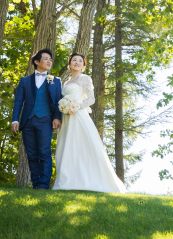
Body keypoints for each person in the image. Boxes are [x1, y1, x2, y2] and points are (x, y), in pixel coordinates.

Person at [52, 52, 126, 193]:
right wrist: (65, 108)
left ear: (83, 65)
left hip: (79, 116)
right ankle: (67, 181)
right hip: (67, 117)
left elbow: (91, 99)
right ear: (70, 64)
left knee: (82, 147)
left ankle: (89, 180)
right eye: (74, 60)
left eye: (80, 61)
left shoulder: (84, 78)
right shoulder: (66, 82)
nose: (77, 62)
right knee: (67, 148)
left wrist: (76, 106)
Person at [11, 48, 63, 189]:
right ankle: (35, 183)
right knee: (32, 154)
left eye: (50, 59)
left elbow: (59, 101)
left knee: (44, 152)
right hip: (27, 121)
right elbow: (18, 102)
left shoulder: (56, 81)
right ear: (36, 61)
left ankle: (43, 185)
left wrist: (57, 118)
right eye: (46, 58)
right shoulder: (25, 81)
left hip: (46, 121)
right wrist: (15, 119)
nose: (49, 61)